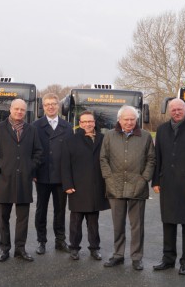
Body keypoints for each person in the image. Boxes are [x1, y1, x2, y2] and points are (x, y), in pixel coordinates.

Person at [152, 98, 185, 275]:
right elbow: (157, 157)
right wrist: (156, 181)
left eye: (179, 109)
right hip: (167, 184)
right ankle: (168, 259)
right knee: (168, 223)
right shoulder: (161, 130)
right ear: (169, 111)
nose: (177, 112)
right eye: (173, 109)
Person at [100, 105, 155, 271]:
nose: (129, 122)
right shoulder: (109, 136)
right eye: (126, 119)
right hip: (114, 186)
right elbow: (103, 159)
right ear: (119, 120)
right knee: (118, 224)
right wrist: (108, 178)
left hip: (137, 187)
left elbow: (151, 160)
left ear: (136, 120)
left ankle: (136, 258)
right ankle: (118, 255)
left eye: (132, 119)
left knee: (137, 226)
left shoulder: (145, 136)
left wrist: (144, 179)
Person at [0, 98, 43, 262]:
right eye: (16, 109)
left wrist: (30, 167)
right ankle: (4, 249)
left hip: (24, 180)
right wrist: (0, 167)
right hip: (5, 179)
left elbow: (39, 153)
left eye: (22, 110)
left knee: (23, 218)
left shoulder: (31, 130)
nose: (19, 112)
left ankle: (20, 249)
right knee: (3, 217)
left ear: (25, 112)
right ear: (10, 109)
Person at [61, 111, 110, 261]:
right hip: (77, 187)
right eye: (84, 122)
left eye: (90, 121)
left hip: (96, 187)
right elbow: (65, 165)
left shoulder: (103, 139)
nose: (88, 124)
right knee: (76, 221)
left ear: (94, 122)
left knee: (93, 221)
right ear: (80, 124)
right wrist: (67, 184)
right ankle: (74, 248)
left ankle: (94, 248)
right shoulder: (71, 140)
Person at [32, 93, 72, 255]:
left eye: (53, 104)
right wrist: (33, 172)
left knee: (60, 210)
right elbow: (31, 151)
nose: (50, 106)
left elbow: (71, 153)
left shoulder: (68, 127)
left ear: (58, 106)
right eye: (47, 104)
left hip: (61, 176)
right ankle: (41, 241)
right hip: (41, 175)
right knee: (41, 210)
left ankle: (60, 240)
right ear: (43, 106)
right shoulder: (35, 126)